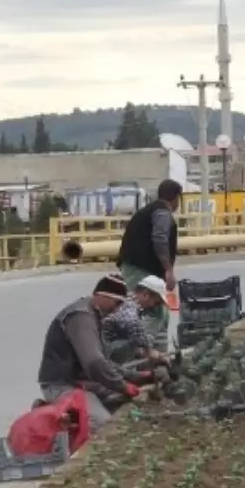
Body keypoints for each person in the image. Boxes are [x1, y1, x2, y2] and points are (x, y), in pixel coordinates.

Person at [38, 273, 143, 429]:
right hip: (63, 384)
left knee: (120, 402)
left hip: (82, 381)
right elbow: (95, 362)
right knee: (102, 424)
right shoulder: (81, 318)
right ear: (103, 296)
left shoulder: (93, 314)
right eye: (116, 303)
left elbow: (104, 362)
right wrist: (122, 385)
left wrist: (135, 376)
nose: (116, 309)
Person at [116, 179, 182, 349]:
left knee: (162, 313)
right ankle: (139, 351)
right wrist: (168, 270)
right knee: (155, 311)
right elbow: (160, 239)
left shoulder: (149, 211)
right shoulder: (162, 213)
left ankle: (160, 355)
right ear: (175, 198)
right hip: (140, 268)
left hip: (137, 266)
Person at [102, 274, 170, 365]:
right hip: (106, 346)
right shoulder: (130, 303)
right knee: (132, 347)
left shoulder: (128, 298)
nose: (153, 306)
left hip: (107, 342)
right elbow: (134, 325)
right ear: (146, 294)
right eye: (156, 302)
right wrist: (149, 351)